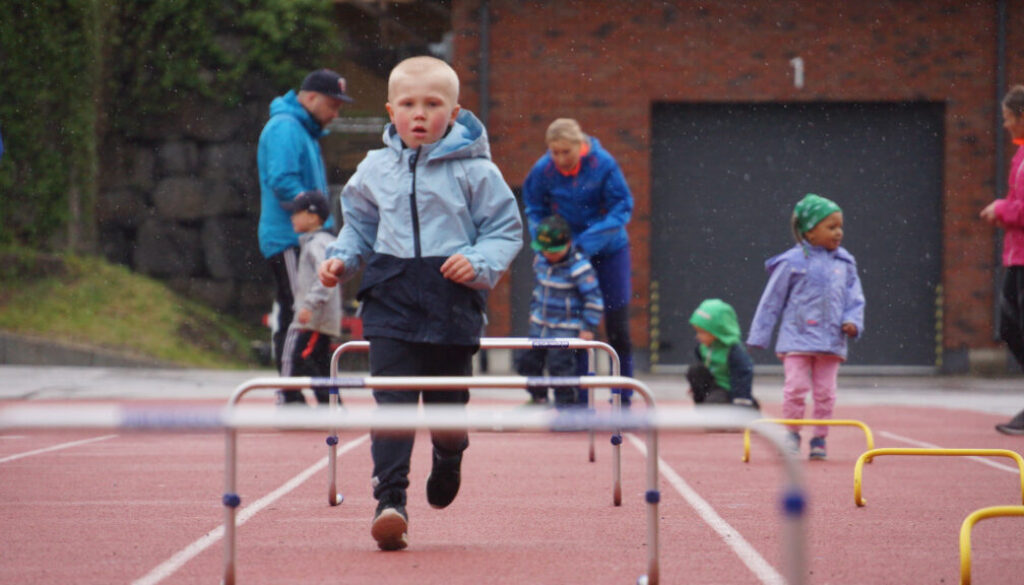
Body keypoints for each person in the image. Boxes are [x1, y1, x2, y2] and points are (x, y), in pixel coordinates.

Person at [317, 56, 522, 551]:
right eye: (408, 104)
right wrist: (342, 257)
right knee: (393, 403)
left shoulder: (477, 172)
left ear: (453, 113)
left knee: (447, 406)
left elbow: (504, 230)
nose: (420, 114)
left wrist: (477, 261)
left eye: (433, 105)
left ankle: (450, 453)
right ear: (391, 111)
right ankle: (390, 502)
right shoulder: (374, 168)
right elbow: (360, 224)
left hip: (451, 298)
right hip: (390, 295)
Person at [522, 118, 635, 406]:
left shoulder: (603, 164)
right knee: (576, 327)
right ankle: (578, 398)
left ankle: (623, 395)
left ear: (580, 146)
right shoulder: (543, 169)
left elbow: (622, 207)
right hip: (567, 252)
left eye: (566, 152)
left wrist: (587, 241)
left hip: (608, 249)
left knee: (617, 326)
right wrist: (547, 240)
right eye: (554, 152)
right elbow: (534, 207)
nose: (560, 159)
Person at [747, 193, 865, 460]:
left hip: (831, 341)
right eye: (831, 227)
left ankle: (820, 437)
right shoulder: (792, 262)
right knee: (796, 388)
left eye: (840, 226)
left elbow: (855, 297)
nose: (839, 233)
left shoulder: (845, 263)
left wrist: (853, 322)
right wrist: (759, 335)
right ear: (809, 232)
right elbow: (771, 300)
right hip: (797, 339)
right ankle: (792, 433)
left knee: (826, 393)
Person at [257, 69, 351, 376]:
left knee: (309, 312)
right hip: (291, 238)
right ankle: (291, 393)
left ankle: (315, 389)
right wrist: (318, 216)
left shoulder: (303, 130)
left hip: (307, 237)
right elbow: (282, 180)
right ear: (310, 98)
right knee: (299, 314)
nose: (335, 114)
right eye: (332, 105)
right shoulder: (286, 128)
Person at [515, 215, 604, 408]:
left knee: (560, 367)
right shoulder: (541, 261)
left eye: (554, 251)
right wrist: (533, 310)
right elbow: (538, 289)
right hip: (540, 325)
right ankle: (538, 396)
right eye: (545, 251)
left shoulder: (579, 267)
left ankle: (566, 405)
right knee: (525, 360)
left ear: (568, 244)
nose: (549, 255)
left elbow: (594, 299)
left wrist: (588, 326)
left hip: (565, 328)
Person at [981, 84, 1024, 436]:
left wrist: (1001, 208)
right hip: (1016, 256)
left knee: (1016, 328)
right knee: (1009, 328)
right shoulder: (1019, 156)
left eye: (1009, 119)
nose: (1006, 125)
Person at [278, 190, 342, 407]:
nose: (292, 217)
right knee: (320, 362)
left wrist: (308, 305)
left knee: (294, 358)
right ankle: (332, 405)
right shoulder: (320, 241)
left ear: (313, 216)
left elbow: (325, 277)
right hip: (318, 317)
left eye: (297, 213)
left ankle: (287, 400)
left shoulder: (317, 243)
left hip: (312, 318)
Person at [686, 298, 759, 409]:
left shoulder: (732, 351)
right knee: (695, 370)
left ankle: (746, 408)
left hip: (728, 389)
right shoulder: (703, 347)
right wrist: (696, 386)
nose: (698, 336)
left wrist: (741, 400)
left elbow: (744, 374)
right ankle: (704, 408)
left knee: (714, 404)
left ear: (717, 331)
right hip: (713, 386)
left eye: (702, 332)